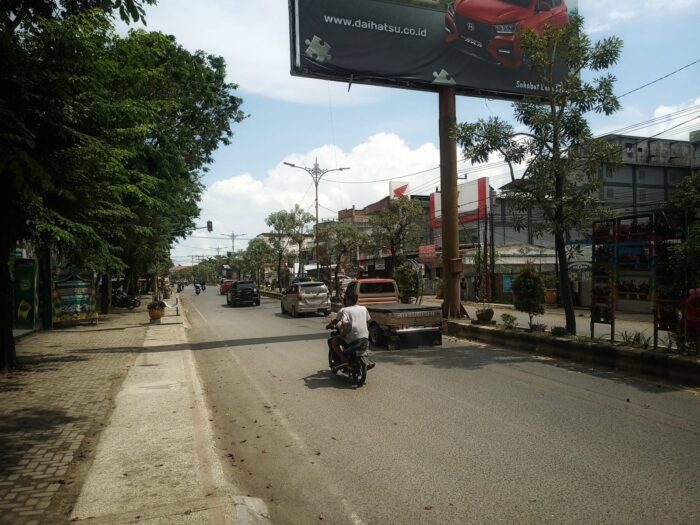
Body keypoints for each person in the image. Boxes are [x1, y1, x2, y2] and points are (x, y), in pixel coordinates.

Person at [337, 291, 374, 367]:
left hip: (353, 339)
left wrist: (342, 335)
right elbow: (368, 321)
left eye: (346, 299)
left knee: (334, 341)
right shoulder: (363, 308)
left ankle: (343, 360)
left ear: (348, 300)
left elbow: (345, 325)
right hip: (365, 338)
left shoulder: (345, 310)